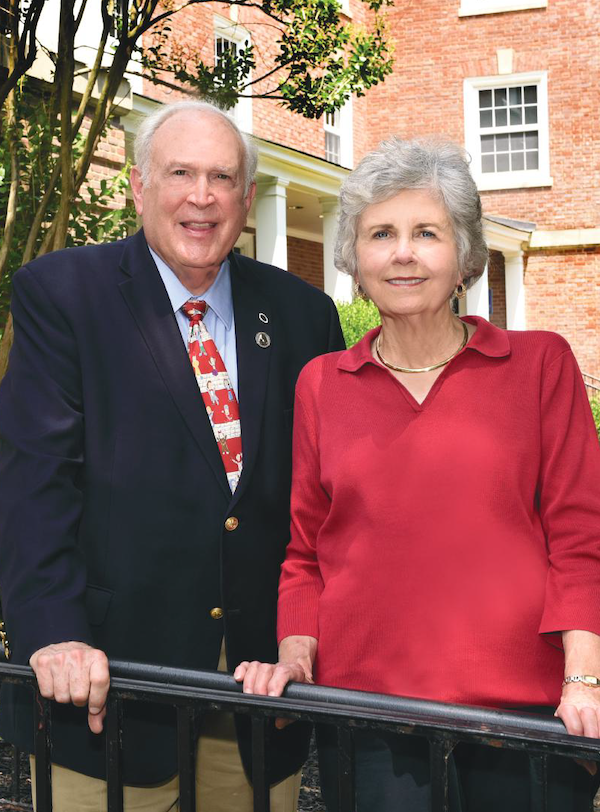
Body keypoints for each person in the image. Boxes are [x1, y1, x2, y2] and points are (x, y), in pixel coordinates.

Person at [235, 137, 600, 811]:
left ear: (464, 254)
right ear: (355, 258)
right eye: (381, 234)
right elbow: (306, 553)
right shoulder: (323, 384)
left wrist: (585, 681)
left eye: (426, 232)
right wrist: (295, 658)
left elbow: (580, 537)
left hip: (526, 719)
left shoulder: (540, 365)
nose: (402, 253)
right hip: (369, 720)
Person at [0, 100, 345, 811]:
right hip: (107, 685)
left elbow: (327, 500)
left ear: (249, 199)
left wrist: (311, 637)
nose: (202, 196)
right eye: (180, 172)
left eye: (222, 177)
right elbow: (36, 483)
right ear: (138, 186)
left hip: (259, 688)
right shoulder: (63, 296)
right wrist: (54, 635)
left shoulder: (304, 316)